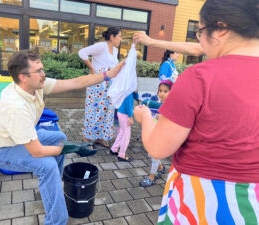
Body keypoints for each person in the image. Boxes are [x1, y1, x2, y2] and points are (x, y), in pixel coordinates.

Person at [134, 0, 259, 224]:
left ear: (220, 29)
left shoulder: (200, 76)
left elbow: (158, 147)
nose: (199, 40)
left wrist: (144, 117)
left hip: (203, 197)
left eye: (199, 31)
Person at [0, 50, 124, 225]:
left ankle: (50, 188)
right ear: (22, 77)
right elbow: (38, 152)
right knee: (47, 165)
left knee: (58, 137)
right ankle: (56, 221)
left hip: (17, 137)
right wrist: (75, 148)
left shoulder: (35, 85)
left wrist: (108, 74)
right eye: (38, 71)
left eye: (42, 68)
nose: (43, 74)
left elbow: (74, 82)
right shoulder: (16, 106)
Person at [79, 27, 122, 147]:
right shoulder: (101, 46)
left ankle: (99, 137)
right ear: (112, 37)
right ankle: (87, 138)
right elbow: (82, 53)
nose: (121, 39)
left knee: (107, 111)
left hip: (109, 85)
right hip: (97, 83)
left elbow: (113, 66)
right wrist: (91, 67)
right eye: (119, 36)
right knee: (93, 111)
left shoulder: (115, 50)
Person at [139, 80, 172, 187]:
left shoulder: (171, 106)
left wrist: (164, 118)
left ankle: (151, 177)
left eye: (165, 91)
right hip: (153, 133)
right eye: (160, 90)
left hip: (162, 136)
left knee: (154, 156)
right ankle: (161, 168)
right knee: (150, 154)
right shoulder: (159, 103)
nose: (162, 93)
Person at [110, 91, 138, 162]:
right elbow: (128, 105)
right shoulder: (128, 92)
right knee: (126, 136)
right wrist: (130, 117)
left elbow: (136, 98)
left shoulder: (128, 89)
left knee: (122, 133)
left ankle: (114, 149)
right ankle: (121, 155)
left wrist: (135, 92)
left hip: (122, 113)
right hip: (125, 115)